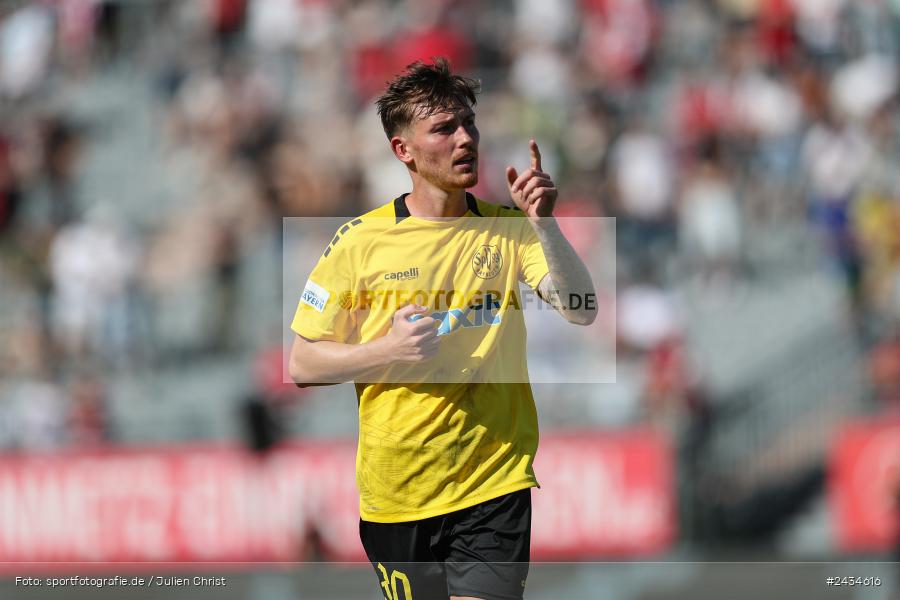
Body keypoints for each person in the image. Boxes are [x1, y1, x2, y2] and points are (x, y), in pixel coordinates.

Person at [288, 58, 596, 600]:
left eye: (468, 124)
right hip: (398, 493)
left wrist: (544, 225)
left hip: (493, 481)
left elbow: (581, 308)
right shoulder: (360, 242)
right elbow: (304, 364)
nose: (465, 139)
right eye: (444, 129)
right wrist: (387, 350)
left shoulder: (508, 231)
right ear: (403, 150)